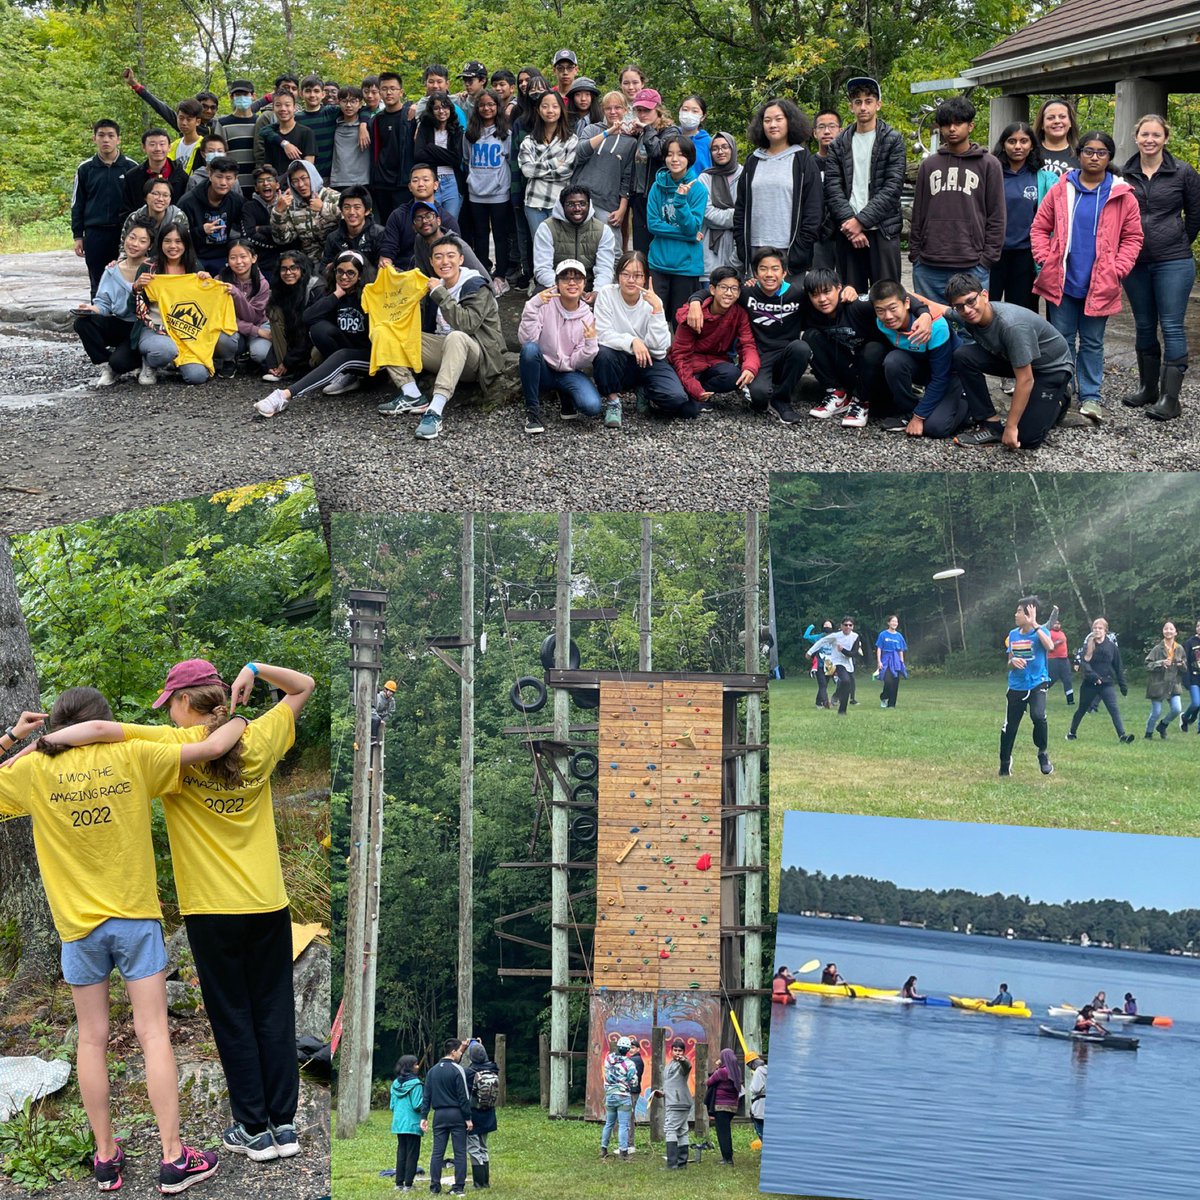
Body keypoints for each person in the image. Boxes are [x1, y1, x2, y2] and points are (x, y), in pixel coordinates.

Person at [1, 689, 246, 1193]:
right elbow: (208, 745)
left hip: (77, 928)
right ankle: (174, 1159)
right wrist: (238, 717)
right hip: (135, 917)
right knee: (153, 1032)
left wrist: (13, 737)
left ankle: (106, 1158)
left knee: (90, 1039)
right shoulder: (133, 753)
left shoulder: (31, 771)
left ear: (60, 725)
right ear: (106, 721)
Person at [1031, 131, 1143, 425]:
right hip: (1062, 279)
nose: (1095, 157)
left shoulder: (1122, 194)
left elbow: (1133, 237)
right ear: (1078, 155)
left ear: (1109, 157)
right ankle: (1063, 389)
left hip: (1101, 281)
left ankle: (1091, 396)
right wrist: (1045, 259)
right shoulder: (1061, 189)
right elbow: (1040, 227)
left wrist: (1118, 269)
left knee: (1092, 342)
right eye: (1089, 151)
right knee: (1061, 338)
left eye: (1101, 152)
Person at [378, 235, 508, 439]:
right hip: (443, 350)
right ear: (431, 262)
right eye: (438, 257)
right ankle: (412, 394)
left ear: (461, 259)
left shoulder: (476, 285)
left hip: (477, 355)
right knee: (387, 330)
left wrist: (440, 293)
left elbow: (467, 325)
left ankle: (435, 411)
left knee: (456, 337)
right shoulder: (431, 284)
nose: (444, 262)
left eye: (450, 256)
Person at [1120, 114, 1200, 420]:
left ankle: (1171, 399)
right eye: (1145, 135)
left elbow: (1195, 213)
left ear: (1165, 138)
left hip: (1174, 261)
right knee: (1143, 324)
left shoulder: (1183, 172)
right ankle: (1148, 388)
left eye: (1156, 135)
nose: (1150, 140)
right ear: (1136, 137)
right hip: (1135, 263)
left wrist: (1179, 240)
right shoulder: (1123, 174)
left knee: (1171, 326)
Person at [944, 274, 1074, 450]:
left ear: (984, 295)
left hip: (1051, 368)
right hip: (1016, 360)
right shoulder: (967, 314)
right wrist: (921, 312)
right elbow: (937, 309)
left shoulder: (1012, 326)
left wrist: (1011, 427)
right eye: (959, 306)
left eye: (971, 301)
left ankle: (1060, 397)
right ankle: (990, 424)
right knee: (963, 356)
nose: (967, 310)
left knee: (1026, 440)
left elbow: (1025, 379)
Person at [254, 251, 375, 415]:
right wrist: (337, 294)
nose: (344, 277)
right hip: (348, 350)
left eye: (350, 273)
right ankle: (349, 375)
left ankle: (283, 396)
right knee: (319, 328)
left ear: (360, 275)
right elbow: (308, 317)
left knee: (344, 356)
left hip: (372, 358)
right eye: (340, 271)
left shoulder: (369, 296)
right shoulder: (333, 293)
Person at [909, 97, 1005, 301]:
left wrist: (987, 259)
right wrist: (915, 255)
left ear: (970, 126)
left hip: (972, 264)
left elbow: (997, 216)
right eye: (946, 124)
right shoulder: (930, 165)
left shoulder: (989, 164)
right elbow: (918, 213)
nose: (952, 129)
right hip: (928, 265)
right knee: (933, 325)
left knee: (971, 328)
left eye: (958, 123)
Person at [822, 76, 905, 291]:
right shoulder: (839, 143)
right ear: (851, 107)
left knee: (887, 297)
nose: (863, 107)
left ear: (878, 104)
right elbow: (832, 187)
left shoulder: (892, 139)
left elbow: (892, 187)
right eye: (857, 102)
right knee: (851, 295)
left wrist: (861, 221)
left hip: (883, 229)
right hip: (847, 231)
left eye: (868, 101)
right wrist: (852, 225)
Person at [133, 222, 238, 386]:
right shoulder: (149, 268)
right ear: (160, 243)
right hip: (157, 329)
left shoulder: (194, 267)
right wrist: (137, 288)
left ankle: (176, 361)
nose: (173, 246)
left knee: (197, 376)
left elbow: (205, 304)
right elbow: (133, 309)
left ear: (186, 244)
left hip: (187, 333)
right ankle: (151, 361)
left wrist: (209, 285)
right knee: (164, 351)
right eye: (167, 241)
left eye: (178, 241)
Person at [735, 98, 823, 276]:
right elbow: (740, 208)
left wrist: (800, 249)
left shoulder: (803, 161)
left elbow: (814, 211)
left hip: (789, 253)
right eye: (767, 120)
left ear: (790, 121)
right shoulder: (753, 161)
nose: (772, 125)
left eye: (778, 119)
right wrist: (742, 246)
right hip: (755, 251)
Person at [867, 278, 963, 437]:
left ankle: (968, 406)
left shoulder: (936, 327)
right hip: (923, 368)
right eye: (880, 310)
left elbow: (941, 376)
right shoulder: (881, 323)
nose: (888, 316)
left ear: (906, 303)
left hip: (951, 374)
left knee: (935, 428)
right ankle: (908, 410)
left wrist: (919, 417)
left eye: (893, 308)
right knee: (893, 360)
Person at [592, 250, 675, 426]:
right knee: (603, 354)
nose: (631, 280)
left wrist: (657, 311)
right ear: (618, 276)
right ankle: (613, 401)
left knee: (675, 399)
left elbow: (660, 348)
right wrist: (632, 341)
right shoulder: (607, 294)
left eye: (637, 275)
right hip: (618, 357)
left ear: (645, 278)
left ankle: (644, 390)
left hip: (648, 359)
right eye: (625, 274)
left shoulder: (653, 301)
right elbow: (602, 333)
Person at [517, 258, 600, 433]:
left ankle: (565, 395)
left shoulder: (588, 315)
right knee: (530, 350)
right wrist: (533, 305)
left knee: (592, 407)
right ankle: (532, 411)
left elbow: (580, 362)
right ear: (556, 283)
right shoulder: (543, 305)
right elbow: (526, 340)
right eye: (565, 278)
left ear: (584, 283)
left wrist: (590, 342)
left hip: (569, 372)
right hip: (544, 369)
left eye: (577, 278)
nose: (571, 283)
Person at [667, 265, 759, 417]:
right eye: (724, 287)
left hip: (713, 363)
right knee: (685, 409)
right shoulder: (694, 314)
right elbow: (680, 355)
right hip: (689, 365)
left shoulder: (739, 314)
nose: (729, 293)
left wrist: (750, 367)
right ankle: (693, 393)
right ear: (712, 289)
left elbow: (747, 344)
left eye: (734, 289)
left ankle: (702, 394)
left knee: (733, 374)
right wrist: (694, 388)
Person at [73, 219, 155, 387]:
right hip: (119, 323)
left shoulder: (153, 269)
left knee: (120, 363)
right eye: (132, 238)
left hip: (142, 328)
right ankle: (106, 364)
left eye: (142, 241)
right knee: (82, 323)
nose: (135, 244)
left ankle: (138, 360)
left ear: (150, 246)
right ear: (125, 238)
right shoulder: (112, 270)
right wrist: (90, 309)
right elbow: (103, 304)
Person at [991, 122, 1058, 311]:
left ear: (1032, 145)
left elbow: (1051, 220)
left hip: (1027, 255)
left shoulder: (1044, 178)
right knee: (986, 310)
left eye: (1024, 141)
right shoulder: (992, 173)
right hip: (993, 254)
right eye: (1012, 141)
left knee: (1023, 312)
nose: (1018, 146)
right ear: (1003, 144)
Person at [72, 119, 139, 298]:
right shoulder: (85, 169)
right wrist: (78, 235)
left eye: (111, 135)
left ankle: (122, 321)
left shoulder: (131, 167)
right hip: (95, 233)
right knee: (97, 280)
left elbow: (138, 204)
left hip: (124, 233)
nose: (106, 140)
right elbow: (77, 203)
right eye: (101, 135)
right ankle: (97, 319)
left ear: (118, 139)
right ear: (94, 138)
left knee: (126, 279)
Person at [464, 89, 514, 294]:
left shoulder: (506, 133)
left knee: (501, 235)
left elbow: (509, 160)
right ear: (477, 108)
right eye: (483, 105)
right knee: (480, 235)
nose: (487, 108)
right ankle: (483, 273)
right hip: (476, 192)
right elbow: (467, 159)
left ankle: (500, 275)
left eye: (491, 104)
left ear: (498, 107)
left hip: (499, 193)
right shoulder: (469, 134)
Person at [1000, 596, 1057, 777]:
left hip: (1037, 683)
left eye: (1019, 611)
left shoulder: (1040, 632)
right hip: (1016, 686)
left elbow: (1050, 647)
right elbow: (1009, 662)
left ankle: (1043, 753)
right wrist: (1013, 661)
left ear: (1029, 614)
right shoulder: (1013, 634)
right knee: (1010, 727)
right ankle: (1005, 762)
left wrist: (1035, 625)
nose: (1015, 614)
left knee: (1038, 716)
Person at [519, 90, 578, 254]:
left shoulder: (571, 140)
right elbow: (527, 170)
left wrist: (539, 169)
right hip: (534, 202)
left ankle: (561, 279)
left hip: (560, 202)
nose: (550, 111)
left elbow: (567, 171)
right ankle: (542, 280)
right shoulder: (529, 141)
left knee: (561, 247)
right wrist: (553, 163)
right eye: (545, 106)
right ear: (538, 110)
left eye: (554, 106)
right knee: (540, 247)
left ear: (561, 110)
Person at [532, 183, 616, 295]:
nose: (577, 209)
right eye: (571, 204)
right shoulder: (546, 228)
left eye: (582, 204)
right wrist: (565, 289)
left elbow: (605, 270)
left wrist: (597, 292)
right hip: (556, 284)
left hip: (589, 285)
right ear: (562, 206)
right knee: (538, 300)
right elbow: (542, 269)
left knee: (606, 298)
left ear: (589, 205)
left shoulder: (603, 231)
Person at [378, 164, 462, 271]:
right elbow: (387, 252)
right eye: (415, 180)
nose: (420, 184)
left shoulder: (447, 219)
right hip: (402, 274)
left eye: (426, 180)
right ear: (409, 187)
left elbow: (454, 258)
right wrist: (386, 266)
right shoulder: (398, 216)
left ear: (436, 185)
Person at [572, 91, 636, 231]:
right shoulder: (592, 129)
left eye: (617, 107)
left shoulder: (630, 141)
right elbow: (580, 152)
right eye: (608, 108)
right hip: (581, 199)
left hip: (608, 203)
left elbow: (627, 178)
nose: (613, 112)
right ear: (603, 110)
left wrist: (622, 208)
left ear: (625, 110)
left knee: (611, 249)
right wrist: (608, 132)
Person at [626, 90, 679, 255]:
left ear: (658, 110)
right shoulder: (641, 132)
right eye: (639, 110)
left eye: (647, 110)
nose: (642, 114)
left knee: (657, 247)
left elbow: (658, 152)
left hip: (659, 197)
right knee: (640, 249)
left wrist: (647, 130)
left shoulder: (670, 132)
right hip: (639, 198)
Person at [1067, 617, 1134, 742]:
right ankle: (1072, 732)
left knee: (1114, 710)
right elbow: (1084, 664)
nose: (1097, 630)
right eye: (1095, 628)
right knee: (1082, 709)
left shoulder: (1112, 647)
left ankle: (1122, 736)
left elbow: (1118, 666)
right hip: (1089, 685)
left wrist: (1123, 685)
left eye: (1100, 628)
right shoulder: (1088, 645)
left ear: (1105, 631)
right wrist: (1094, 677)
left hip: (1106, 684)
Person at [420, 1038, 473, 1195]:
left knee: (437, 1152)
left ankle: (435, 1186)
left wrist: (424, 1116)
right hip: (456, 1114)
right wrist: (468, 1117)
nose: (459, 1054)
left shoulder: (432, 1071)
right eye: (459, 1051)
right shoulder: (457, 1070)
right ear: (453, 1052)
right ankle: (458, 1187)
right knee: (459, 1152)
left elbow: (426, 1096)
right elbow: (463, 1096)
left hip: (439, 1115)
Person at [178, 155, 247, 273]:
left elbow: (243, 231)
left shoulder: (237, 201)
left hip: (225, 256)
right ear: (210, 175)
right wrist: (201, 231)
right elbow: (178, 236)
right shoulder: (187, 202)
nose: (223, 182)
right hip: (195, 256)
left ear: (236, 179)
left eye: (229, 178)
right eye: (219, 177)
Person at [213, 240, 272, 377]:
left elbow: (253, 317)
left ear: (253, 258)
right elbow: (218, 317)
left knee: (260, 354)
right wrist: (257, 331)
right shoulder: (220, 281)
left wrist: (237, 294)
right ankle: (229, 360)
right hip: (232, 327)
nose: (238, 262)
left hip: (259, 323)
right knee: (223, 338)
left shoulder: (262, 284)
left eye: (243, 256)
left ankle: (250, 357)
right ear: (227, 260)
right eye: (233, 258)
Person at [261, 250, 318, 381]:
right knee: (274, 311)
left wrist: (289, 361)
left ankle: (290, 367)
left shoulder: (314, 288)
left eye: (294, 268)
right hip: (293, 343)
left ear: (302, 269)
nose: (288, 273)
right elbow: (283, 331)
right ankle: (280, 369)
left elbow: (307, 333)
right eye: (284, 269)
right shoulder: (281, 288)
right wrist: (272, 362)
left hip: (312, 343)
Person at [269, 160, 341, 261]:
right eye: (295, 181)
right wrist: (278, 213)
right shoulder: (292, 204)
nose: (301, 185)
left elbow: (351, 221)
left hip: (337, 259)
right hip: (310, 262)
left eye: (304, 178)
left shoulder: (334, 197)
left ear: (313, 176)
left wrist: (323, 208)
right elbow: (282, 239)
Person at [370, 73, 415, 223]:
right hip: (382, 182)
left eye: (393, 88)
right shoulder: (376, 120)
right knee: (385, 224)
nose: (388, 93)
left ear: (401, 91)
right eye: (384, 89)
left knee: (405, 225)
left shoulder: (410, 116)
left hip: (403, 181)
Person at [415, 91, 467, 221]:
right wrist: (446, 156)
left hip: (452, 182)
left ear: (450, 109)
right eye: (437, 108)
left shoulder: (456, 129)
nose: (441, 111)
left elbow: (456, 159)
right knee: (431, 221)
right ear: (431, 110)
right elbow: (419, 154)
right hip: (431, 181)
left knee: (450, 222)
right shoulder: (425, 128)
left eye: (444, 107)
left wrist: (431, 148)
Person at [120, 127, 189, 223]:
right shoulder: (132, 177)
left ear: (169, 147)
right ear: (144, 147)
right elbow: (126, 210)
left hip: (173, 231)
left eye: (162, 144)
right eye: (152, 144)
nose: (158, 148)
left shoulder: (181, 176)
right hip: (142, 231)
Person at [698, 132, 741, 278]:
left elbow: (749, 213)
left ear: (733, 149)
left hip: (737, 249)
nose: (720, 152)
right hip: (710, 251)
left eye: (724, 147)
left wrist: (740, 216)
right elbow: (708, 214)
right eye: (715, 148)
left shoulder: (745, 175)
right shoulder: (705, 178)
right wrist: (737, 215)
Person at [649, 1037, 692, 1170]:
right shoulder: (669, 1065)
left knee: (669, 1129)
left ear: (683, 1052)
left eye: (680, 1050)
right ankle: (682, 1163)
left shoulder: (682, 1064)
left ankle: (672, 1164)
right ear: (671, 1051)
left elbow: (687, 1066)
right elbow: (671, 1083)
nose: (677, 1053)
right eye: (675, 1050)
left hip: (677, 1102)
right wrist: (661, 1093)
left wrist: (684, 1060)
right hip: (673, 1100)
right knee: (682, 1131)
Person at [805, 618, 861, 715]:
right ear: (841, 626)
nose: (848, 627)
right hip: (835, 662)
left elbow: (854, 653)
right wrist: (810, 652)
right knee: (843, 681)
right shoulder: (835, 636)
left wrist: (843, 650)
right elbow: (821, 641)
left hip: (848, 663)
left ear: (853, 627)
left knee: (847, 683)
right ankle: (830, 705)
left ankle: (839, 704)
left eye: (850, 625)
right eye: (845, 625)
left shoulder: (855, 636)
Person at [464, 1040, 499, 1190]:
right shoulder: (493, 1069)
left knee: (473, 1148)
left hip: (473, 1114)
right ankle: (485, 1182)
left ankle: (478, 1182)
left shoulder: (470, 1073)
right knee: (484, 1147)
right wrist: (478, 1045)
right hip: (489, 1114)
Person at [256, 91, 317, 176]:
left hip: (299, 184)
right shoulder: (271, 136)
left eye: (287, 105)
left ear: (294, 108)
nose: (283, 109)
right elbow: (268, 165)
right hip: (277, 186)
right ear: (273, 108)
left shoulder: (306, 133)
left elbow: (309, 166)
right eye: (278, 105)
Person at [811, 109, 843, 270]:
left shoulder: (849, 163)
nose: (827, 131)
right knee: (820, 284)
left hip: (846, 233)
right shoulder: (808, 165)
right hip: (818, 236)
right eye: (821, 127)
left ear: (840, 131)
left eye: (832, 126)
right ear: (815, 133)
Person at [322, 186, 384, 266]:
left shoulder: (379, 234)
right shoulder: (333, 238)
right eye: (346, 207)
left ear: (367, 211)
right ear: (341, 210)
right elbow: (323, 269)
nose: (351, 212)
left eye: (357, 207)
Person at [1144, 620, 1186, 739]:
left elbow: (1185, 668)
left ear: (1175, 632)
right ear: (1163, 632)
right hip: (1158, 685)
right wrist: (1160, 663)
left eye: (1171, 629)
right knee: (1156, 712)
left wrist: (1181, 664)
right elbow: (1147, 665)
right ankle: (1148, 733)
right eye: (1166, 629)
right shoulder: (1157, 649)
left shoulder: (1180, 649)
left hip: (1173, 685)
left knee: (1177, 709)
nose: (1168, 631)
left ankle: (1163, 725)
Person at [599, 1036, 638, 1161]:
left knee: (609, 1123)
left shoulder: (609, 1058)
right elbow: (634, 1082)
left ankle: (603, 1148)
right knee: (623, 1125)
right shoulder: (630, 1064)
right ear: (627, 1049)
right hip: (623, 1096)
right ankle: (623, 1152)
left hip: (610, 1095)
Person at [121, 177, 190, 244]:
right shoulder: (135, 218)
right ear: (145, 197)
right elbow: (124, 246)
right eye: (155, 194)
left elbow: (183, 246)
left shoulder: (179, 217)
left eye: (165, 195)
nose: (160, 199)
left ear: (170, 199)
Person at [705, 1048, 742, 1166]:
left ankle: (727, 1159)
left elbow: (709, 1082)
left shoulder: (722, 1072)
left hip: (721, 1106)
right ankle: (728, 1156)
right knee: (726, 1131)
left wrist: (718, 1067)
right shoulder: (737, 1070)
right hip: (732, 1106)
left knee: (722, 1133)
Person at [331, 86, 372, 192]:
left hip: (363, 181)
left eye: (353, 101)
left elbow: (369, 108)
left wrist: (363, 126)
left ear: (360, 104)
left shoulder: (368, 125)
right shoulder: (333, 124)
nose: (348, 105)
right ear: (339, 102)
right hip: (338, 180)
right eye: (344, 101)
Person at [1034, 98, 1080, 178]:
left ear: (1070, 123)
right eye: (1050, 118)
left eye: (1062, 117)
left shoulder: (1081, 154)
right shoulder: (1030, 152)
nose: (1057, 121)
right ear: (1041, 124)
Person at [875, 614, 908, 708]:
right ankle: (884, 697)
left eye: (896, 621)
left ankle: (892, 704)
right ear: (888, 623)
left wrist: (902, 662)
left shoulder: (899, 636)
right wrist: (879, 662)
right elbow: (879, 648)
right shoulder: (883, 634)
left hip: (896, 661)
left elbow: (900, 650)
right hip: (886, 660)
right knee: (888, 681)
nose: (894, 623)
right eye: (893, 621)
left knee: (895, 682)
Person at [1045, 618, 1075, 707]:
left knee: (1067, 679)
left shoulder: (1062, 633)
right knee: (1051, 679)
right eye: (1055, 623)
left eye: (1058, 623)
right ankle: (1038, 696)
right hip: (1053, 659)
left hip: (1064, 659)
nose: (1057, 625)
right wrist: (1058, 642)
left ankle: (1070, 701)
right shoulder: (1048, 633)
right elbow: (1047, 646)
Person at [677, 95, 711, 170]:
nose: (689, 114)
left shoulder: (709, 143)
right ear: (679, 112)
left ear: (703, 117)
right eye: (685, 110)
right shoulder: (669, 137)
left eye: (695, 111)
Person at [1181, 620, 1200, 733]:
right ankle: (1185, 717)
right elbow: (1185, 662)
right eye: (1198, 626)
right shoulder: (1190, 642)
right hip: (1194, 678)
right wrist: (1186, 679)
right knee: (1196, 703)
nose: (1199, 628)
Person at [746, 1054, 767, 1144]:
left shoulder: (758, 1071)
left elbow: (756, 1089)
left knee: (761, 1129)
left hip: (760, 1105)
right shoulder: (767, 1068)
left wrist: (750, 1086)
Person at [371, 679, 397, 744]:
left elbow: (391, 712)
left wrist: (384, 720)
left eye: (392, 691)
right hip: (373, 716)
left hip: (382, 718)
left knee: (381, 724)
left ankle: (378, 740)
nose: (390, 693)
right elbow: (372, 709)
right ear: (385, 690)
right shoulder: (378, 697)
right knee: (376, 720)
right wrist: (379, 718)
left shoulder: (392, 701)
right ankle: (373, 738)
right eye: (389, 690)